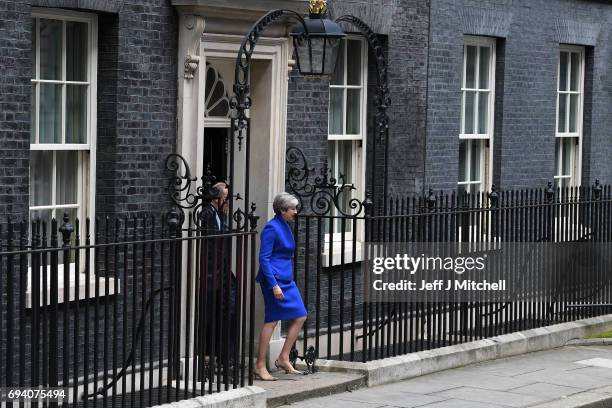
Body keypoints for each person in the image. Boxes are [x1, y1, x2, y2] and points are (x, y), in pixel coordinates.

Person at [255, 192, 307, 381]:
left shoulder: (285, 225)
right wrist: (274, 285)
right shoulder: (271, 228)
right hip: (274, 281)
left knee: (300, 315)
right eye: (292, 209)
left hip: (287, 279)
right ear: (282, 210)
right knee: (272, 321)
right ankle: (260, 366)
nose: (295, 212)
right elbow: (264, 258)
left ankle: (284, 357)